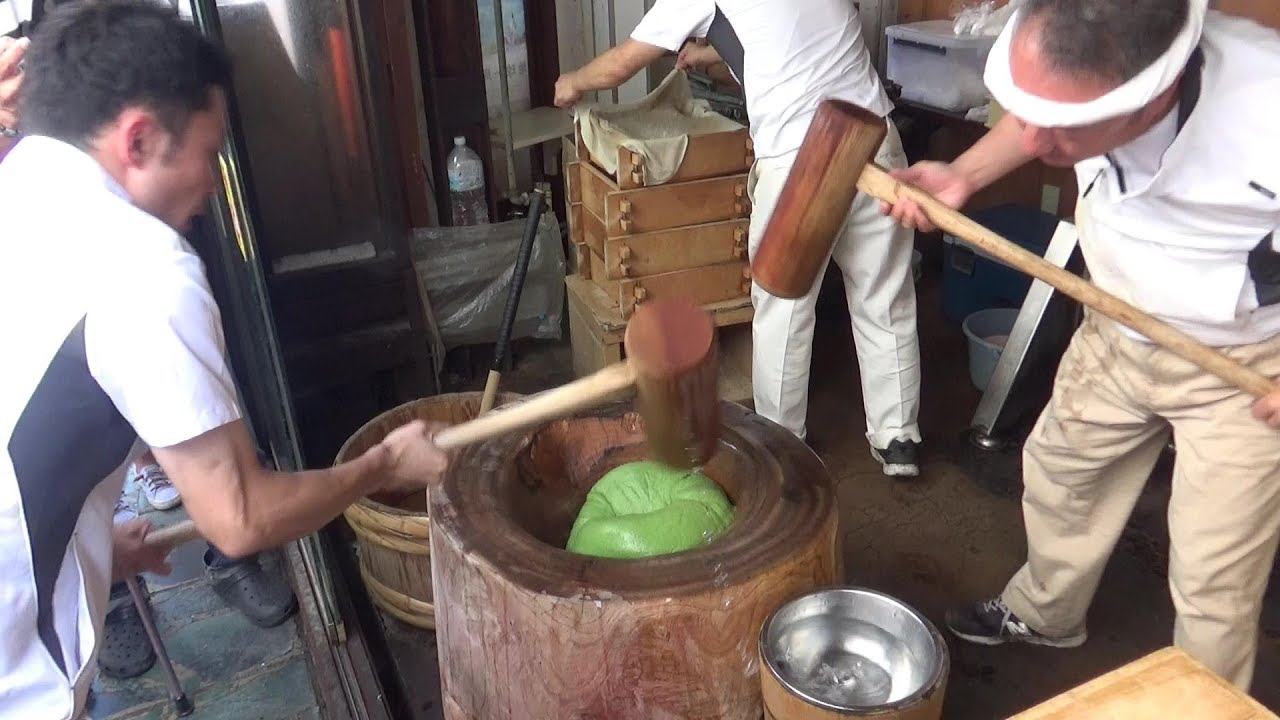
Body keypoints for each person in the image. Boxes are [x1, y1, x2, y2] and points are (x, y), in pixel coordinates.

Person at [0, 2, 449, 717]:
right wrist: (383, 466)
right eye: (208, 154)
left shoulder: (21, 181)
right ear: (139, 139)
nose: (213, 186)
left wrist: (84, 539)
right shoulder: (141, 265)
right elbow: (239, 518)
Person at [883, 0, 1280, 691]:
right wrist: (967, 174)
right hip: (1116, 328)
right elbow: (1037, 119)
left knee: (1215, 578)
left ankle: (1209, 705)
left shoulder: (1266, 102)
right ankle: (1047, 614)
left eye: (1065, 129)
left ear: (1152, 93)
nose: (1033, 142)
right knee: (1061, 476)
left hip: (1240, 370)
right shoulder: (1063, 72)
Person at [555, 0, 924, 477]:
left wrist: (574, 82)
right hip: (876, 135)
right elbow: (789, 43)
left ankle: (779, 445)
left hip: (804, 156)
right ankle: (899, 441)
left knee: (783, 305)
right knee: (885, 293)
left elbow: (624, 62)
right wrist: (711, 56)